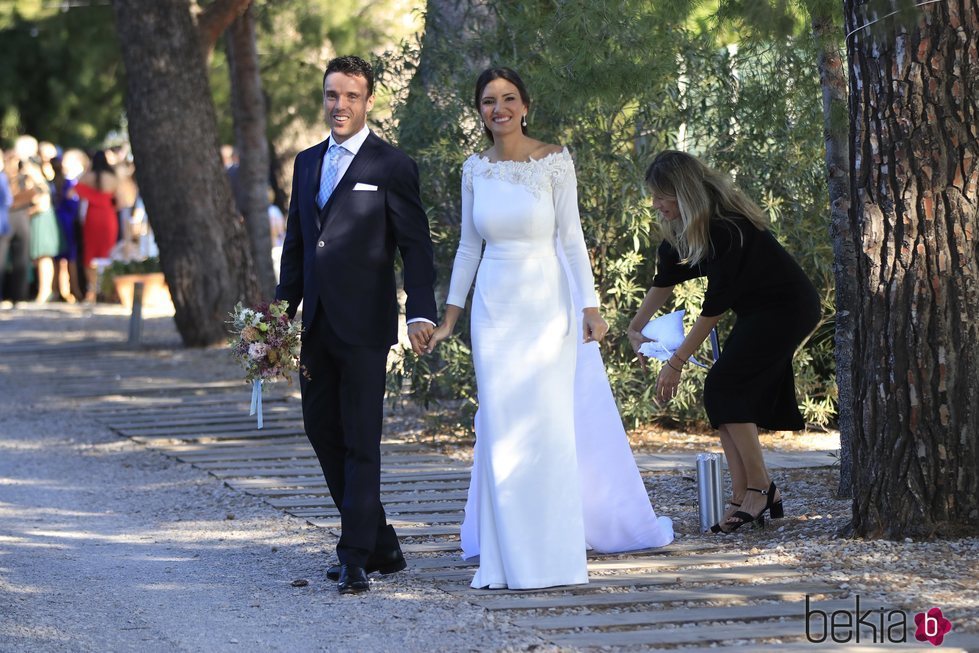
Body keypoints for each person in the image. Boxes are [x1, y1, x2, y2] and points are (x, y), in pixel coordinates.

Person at [425, 67, 674, 591]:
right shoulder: (474, 170)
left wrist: (591, 306)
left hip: (548, 307)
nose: (500, 109)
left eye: (509, 99)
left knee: (548, 427)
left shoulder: (554, 160)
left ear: (526, 106)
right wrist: (450, 313)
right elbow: (470, 246)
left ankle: (553, 559)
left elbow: (571, 238)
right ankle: (505, 559)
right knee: (500, 426)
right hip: (494, 308)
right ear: (480, 111)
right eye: (489, 101)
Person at [275, 55, 437, 595]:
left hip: (366, 327)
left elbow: (416, 246)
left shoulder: (392, 165)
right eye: (331, 95)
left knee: (362, 441)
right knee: (321, 431)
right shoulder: (304, 163)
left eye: (349, 96)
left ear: (368, 101)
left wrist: (420, 310)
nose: (339, 105)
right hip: (316, 326)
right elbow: (298, 246)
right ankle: (382, 541)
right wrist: (280, 315)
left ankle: (354, 557)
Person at [628, 150, 821, 532]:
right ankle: (744, 493)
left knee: (726, 385)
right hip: (758, 311)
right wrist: (635, 327)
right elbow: (664, 278)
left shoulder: (725, 228)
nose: (657, 204)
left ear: (683, 192)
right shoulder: (685, 230)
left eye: (663, 196)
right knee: (721, 392)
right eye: (654, 196)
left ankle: (760, 488)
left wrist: (676, 362)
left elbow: (715, 306)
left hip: (788, 307)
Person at [75, 150, 119, 302]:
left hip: (92, 217)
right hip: (108, 217)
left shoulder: (87, 177)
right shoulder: (113, 178)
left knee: (90, 253)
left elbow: (74, 190)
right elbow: (120, 200)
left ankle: (92, 288)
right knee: (107, 253)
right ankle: (107, 290)